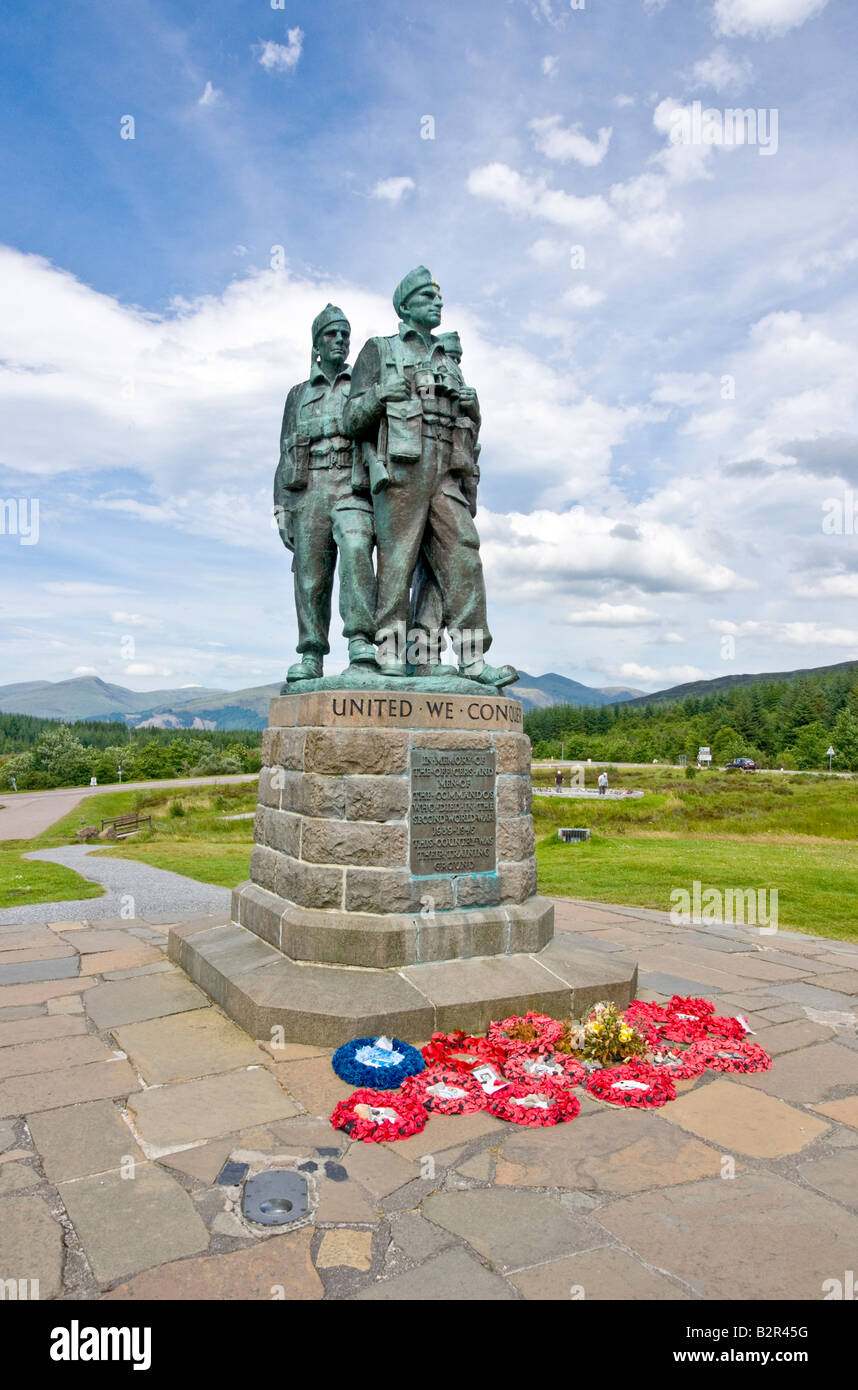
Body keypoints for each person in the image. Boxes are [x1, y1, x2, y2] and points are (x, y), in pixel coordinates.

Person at [344, 267, 516, 686]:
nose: (437, 302)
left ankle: (472, 659)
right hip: (403, 464)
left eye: (438, 296)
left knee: (464, 554)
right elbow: (351, 419)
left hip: (446, 466)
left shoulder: (447, 356)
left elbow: (468, 426)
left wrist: (474, 407)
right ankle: (389, 652)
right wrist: (379, 396)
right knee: (397, 560)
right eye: (426, 297)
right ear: (404, 306)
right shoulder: (380, 350)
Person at [274, 305, 377, 681]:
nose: (340, 341)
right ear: (317, 343)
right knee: (310, 575)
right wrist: (281, 510)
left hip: (351, 484)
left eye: (345, 335)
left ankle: (361, 641)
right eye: (332, 335)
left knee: (355, 550)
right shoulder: (297, 394)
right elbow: (284, 452)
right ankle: (311, 653)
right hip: (309, 489)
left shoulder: (361, 383)